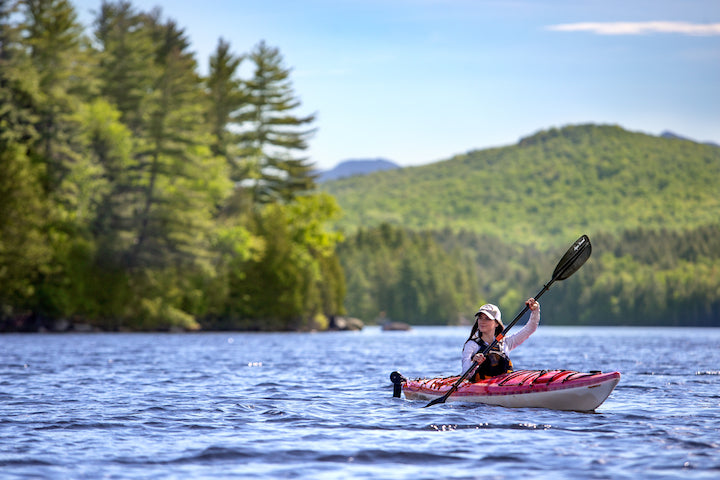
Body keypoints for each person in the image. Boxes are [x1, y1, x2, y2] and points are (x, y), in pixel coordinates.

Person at [461, 298, 540, 381]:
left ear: (496, 323)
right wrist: (475, 363)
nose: (482, 321)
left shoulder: (506, 342)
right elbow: (465, 375)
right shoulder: (471, 345)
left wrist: (535, 310)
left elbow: (530, 329)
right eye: (480, 318)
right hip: (479, 387)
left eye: (487, 318)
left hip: (503, 385)